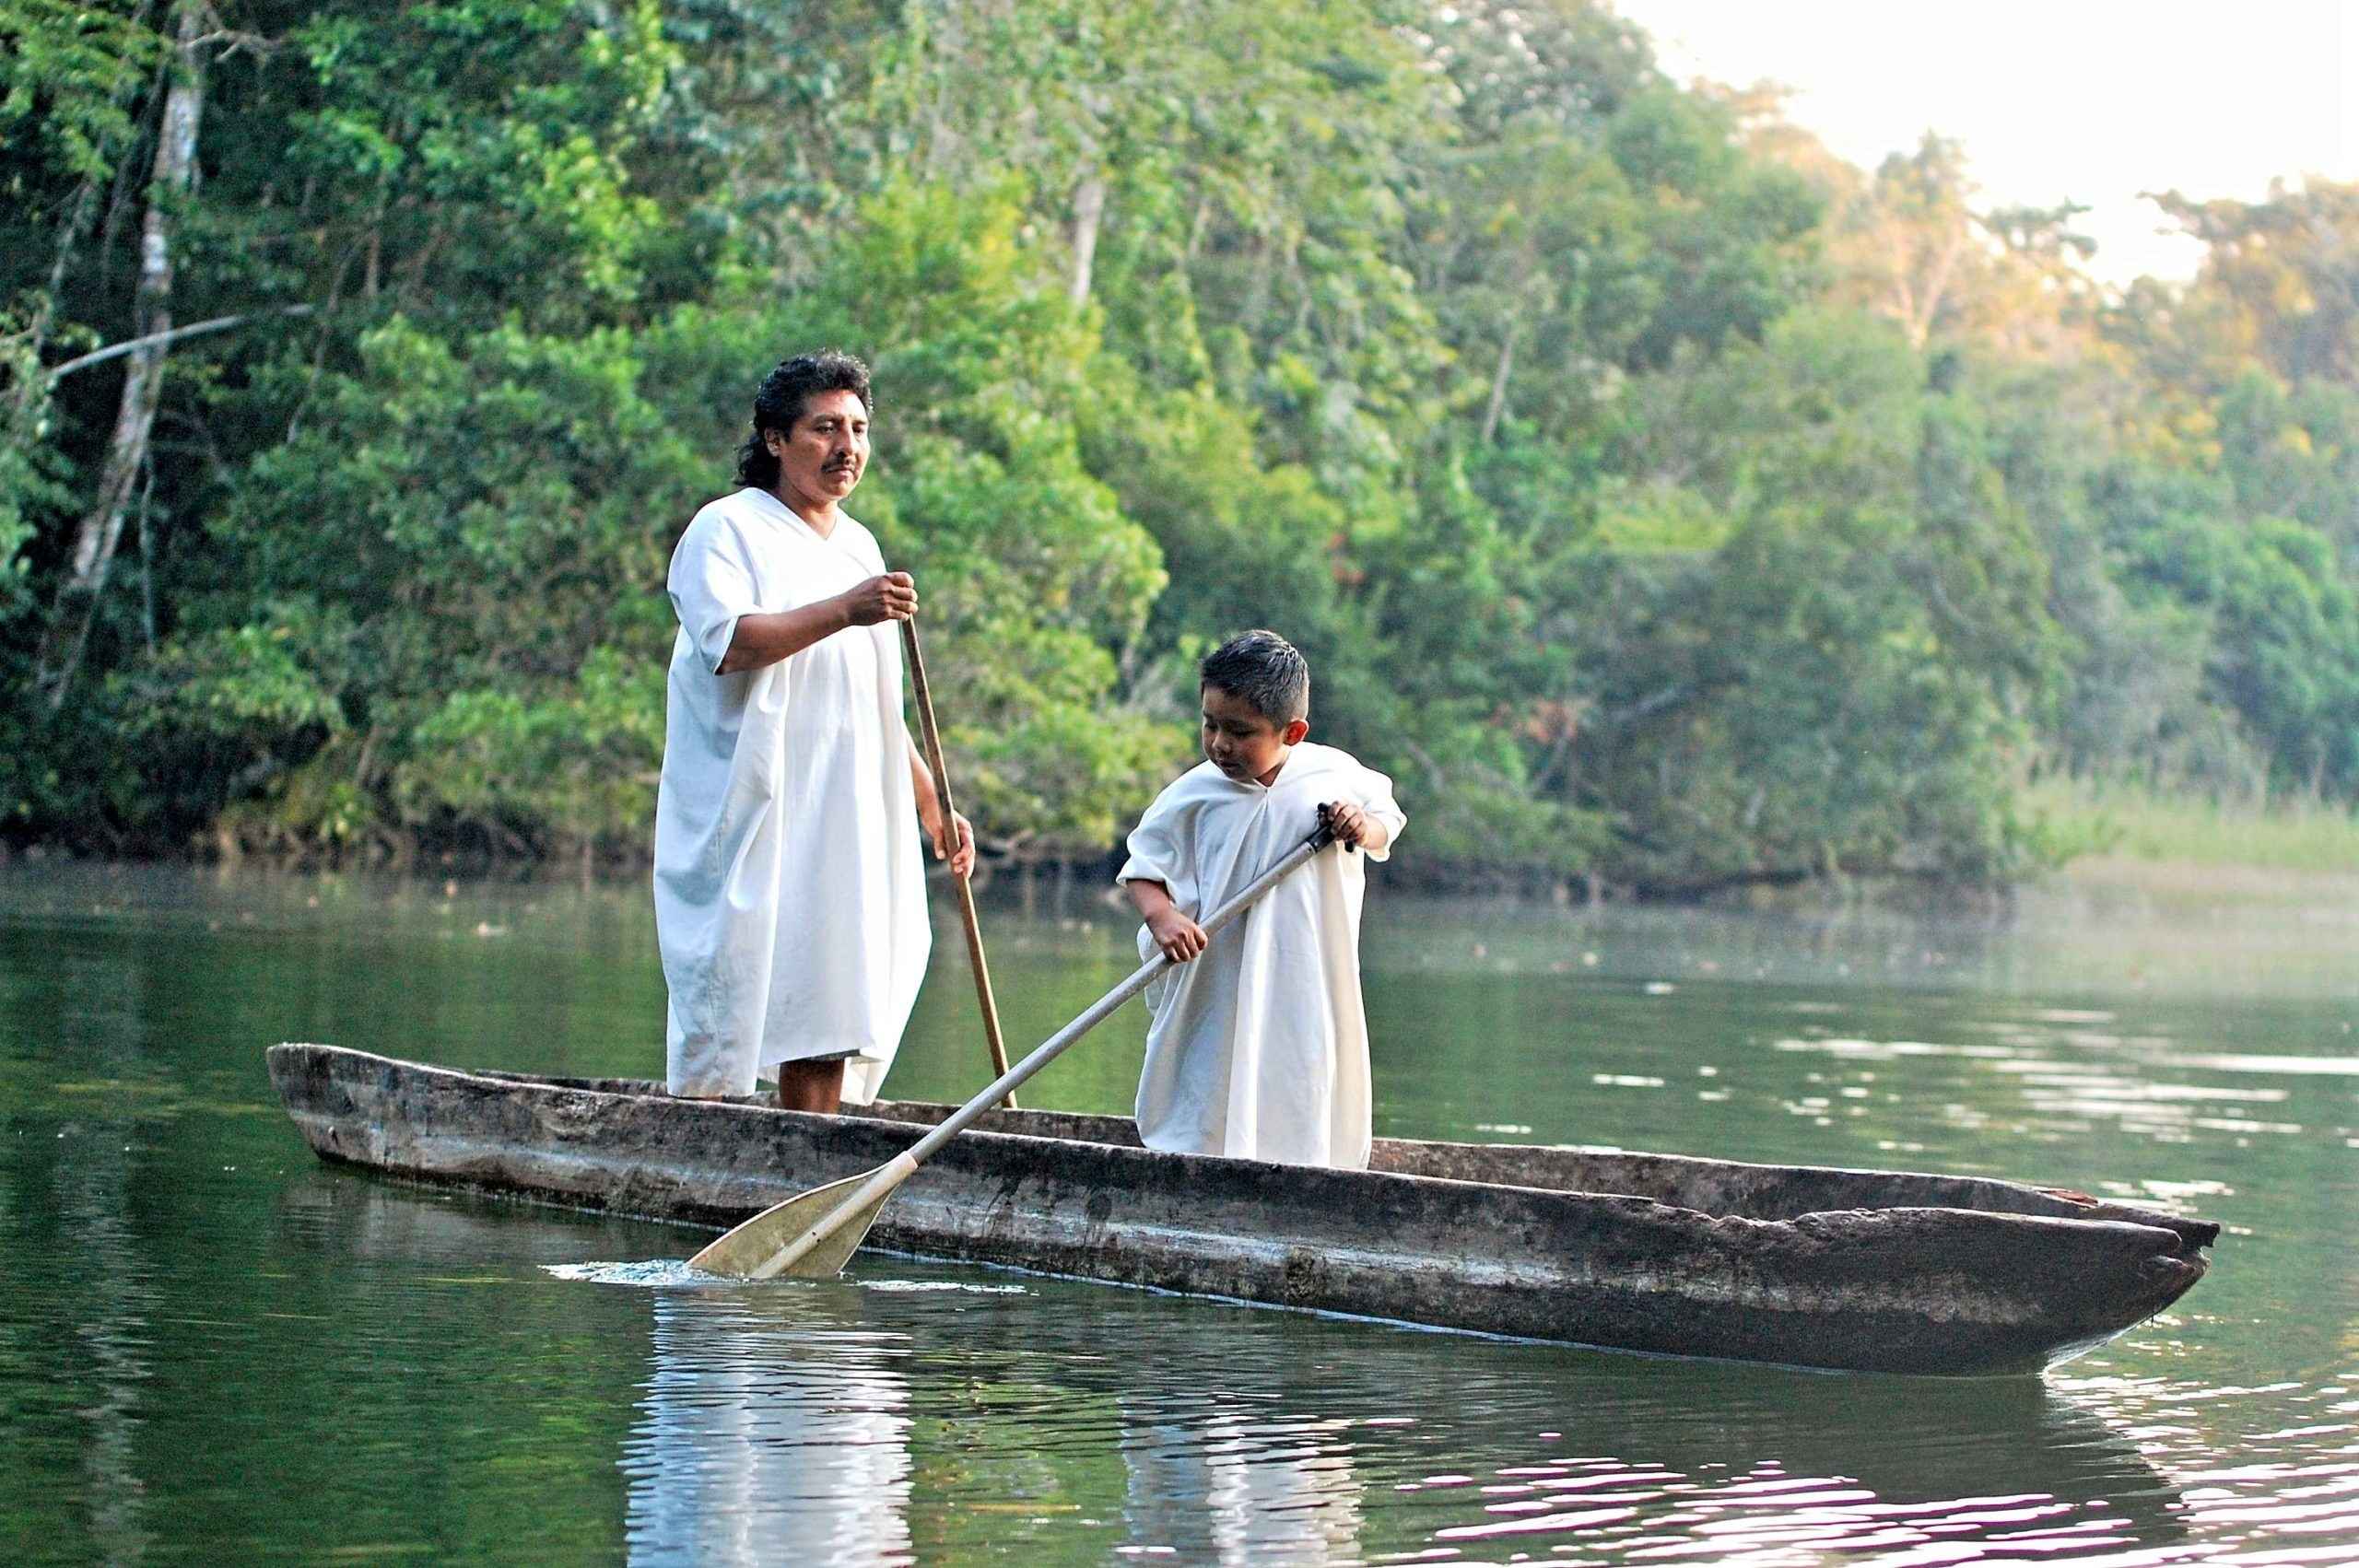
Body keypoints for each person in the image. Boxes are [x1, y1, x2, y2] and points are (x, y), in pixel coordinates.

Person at [653, 349, 973, 1114]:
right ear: (775, 439)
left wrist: (930, 799)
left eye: (858, 429)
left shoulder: (860, 546)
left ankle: (809, 1154)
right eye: (825, 428)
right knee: (731, 993)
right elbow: (731, 643)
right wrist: (845, 610)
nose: (847, 447)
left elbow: (873, 701)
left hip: (846, 812)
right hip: (759, 808)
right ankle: (711, 1147)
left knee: (829, 1007)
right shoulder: (726, 529)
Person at [1117, 630, 1405, 1169]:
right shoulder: (1192, 794)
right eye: (1210, 725)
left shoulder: (1334, 776)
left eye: (1240, 732)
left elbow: (1386, 821)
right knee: (1210, 1071)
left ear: (1292, 731)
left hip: (1304, 974)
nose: (1220, 744)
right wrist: (1162, 917)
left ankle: (1304, 1170)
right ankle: (1197, 1162)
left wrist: (1359, 825)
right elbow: (1143, 868)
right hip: (1215, 978)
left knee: (1300, 1069)